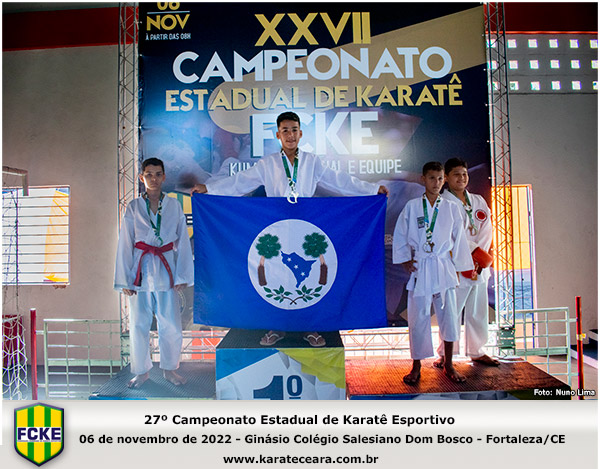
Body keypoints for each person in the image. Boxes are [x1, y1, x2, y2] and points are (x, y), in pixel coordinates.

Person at [191, 111, 388, 347]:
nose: (290, 135)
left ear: (301, 133)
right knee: (276, 274)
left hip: (305, 227)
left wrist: (371, 190)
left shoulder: (312, 162)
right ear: (278, 135)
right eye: (285, 130)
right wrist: (210, 189)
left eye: (294, 130)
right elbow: (240, 182)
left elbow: (340, 180)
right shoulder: (268, 164)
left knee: (309, 276)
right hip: (277, 228)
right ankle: (276, 327)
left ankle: (310, 327)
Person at [115, 158, 194, 388]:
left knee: (171, 323)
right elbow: (125, 243)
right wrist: (125, 280)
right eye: (149, 174)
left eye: (158, 174)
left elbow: (183, 242)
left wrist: (182, 276)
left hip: (166, 269)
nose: (154, 179)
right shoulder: (133, 207)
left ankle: (170, 370)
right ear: (142, 178)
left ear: (164, 177)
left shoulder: (174, 206)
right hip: (140, 271)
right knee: (138, 323)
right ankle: (141, 372)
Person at [392, 161, 473, 384]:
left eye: (439, 179)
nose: (436, 183)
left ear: (444, 180)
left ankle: (449, 363)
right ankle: (416, 366)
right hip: (421, 265)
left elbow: (459, 240)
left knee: (449, 316)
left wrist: (459, 267)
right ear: (423, 179)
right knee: (418, 317)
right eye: (431, 178)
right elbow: (400, 234)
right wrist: (405, 259)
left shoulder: (451, 208)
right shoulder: (412, 207)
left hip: (443, 266)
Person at [434, 158, 498, 367]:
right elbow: (449, 235)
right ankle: (445, 353)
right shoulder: (442, 203)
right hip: (456, 265)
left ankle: (477, 351)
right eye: (456, 174)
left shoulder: (478, 201)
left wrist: (480, 256)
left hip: (479, 266)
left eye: (464, 174)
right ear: (446, 178)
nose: (461, 178)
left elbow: (487, 231)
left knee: (478, 311)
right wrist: (471, 252)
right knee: (451, 311)